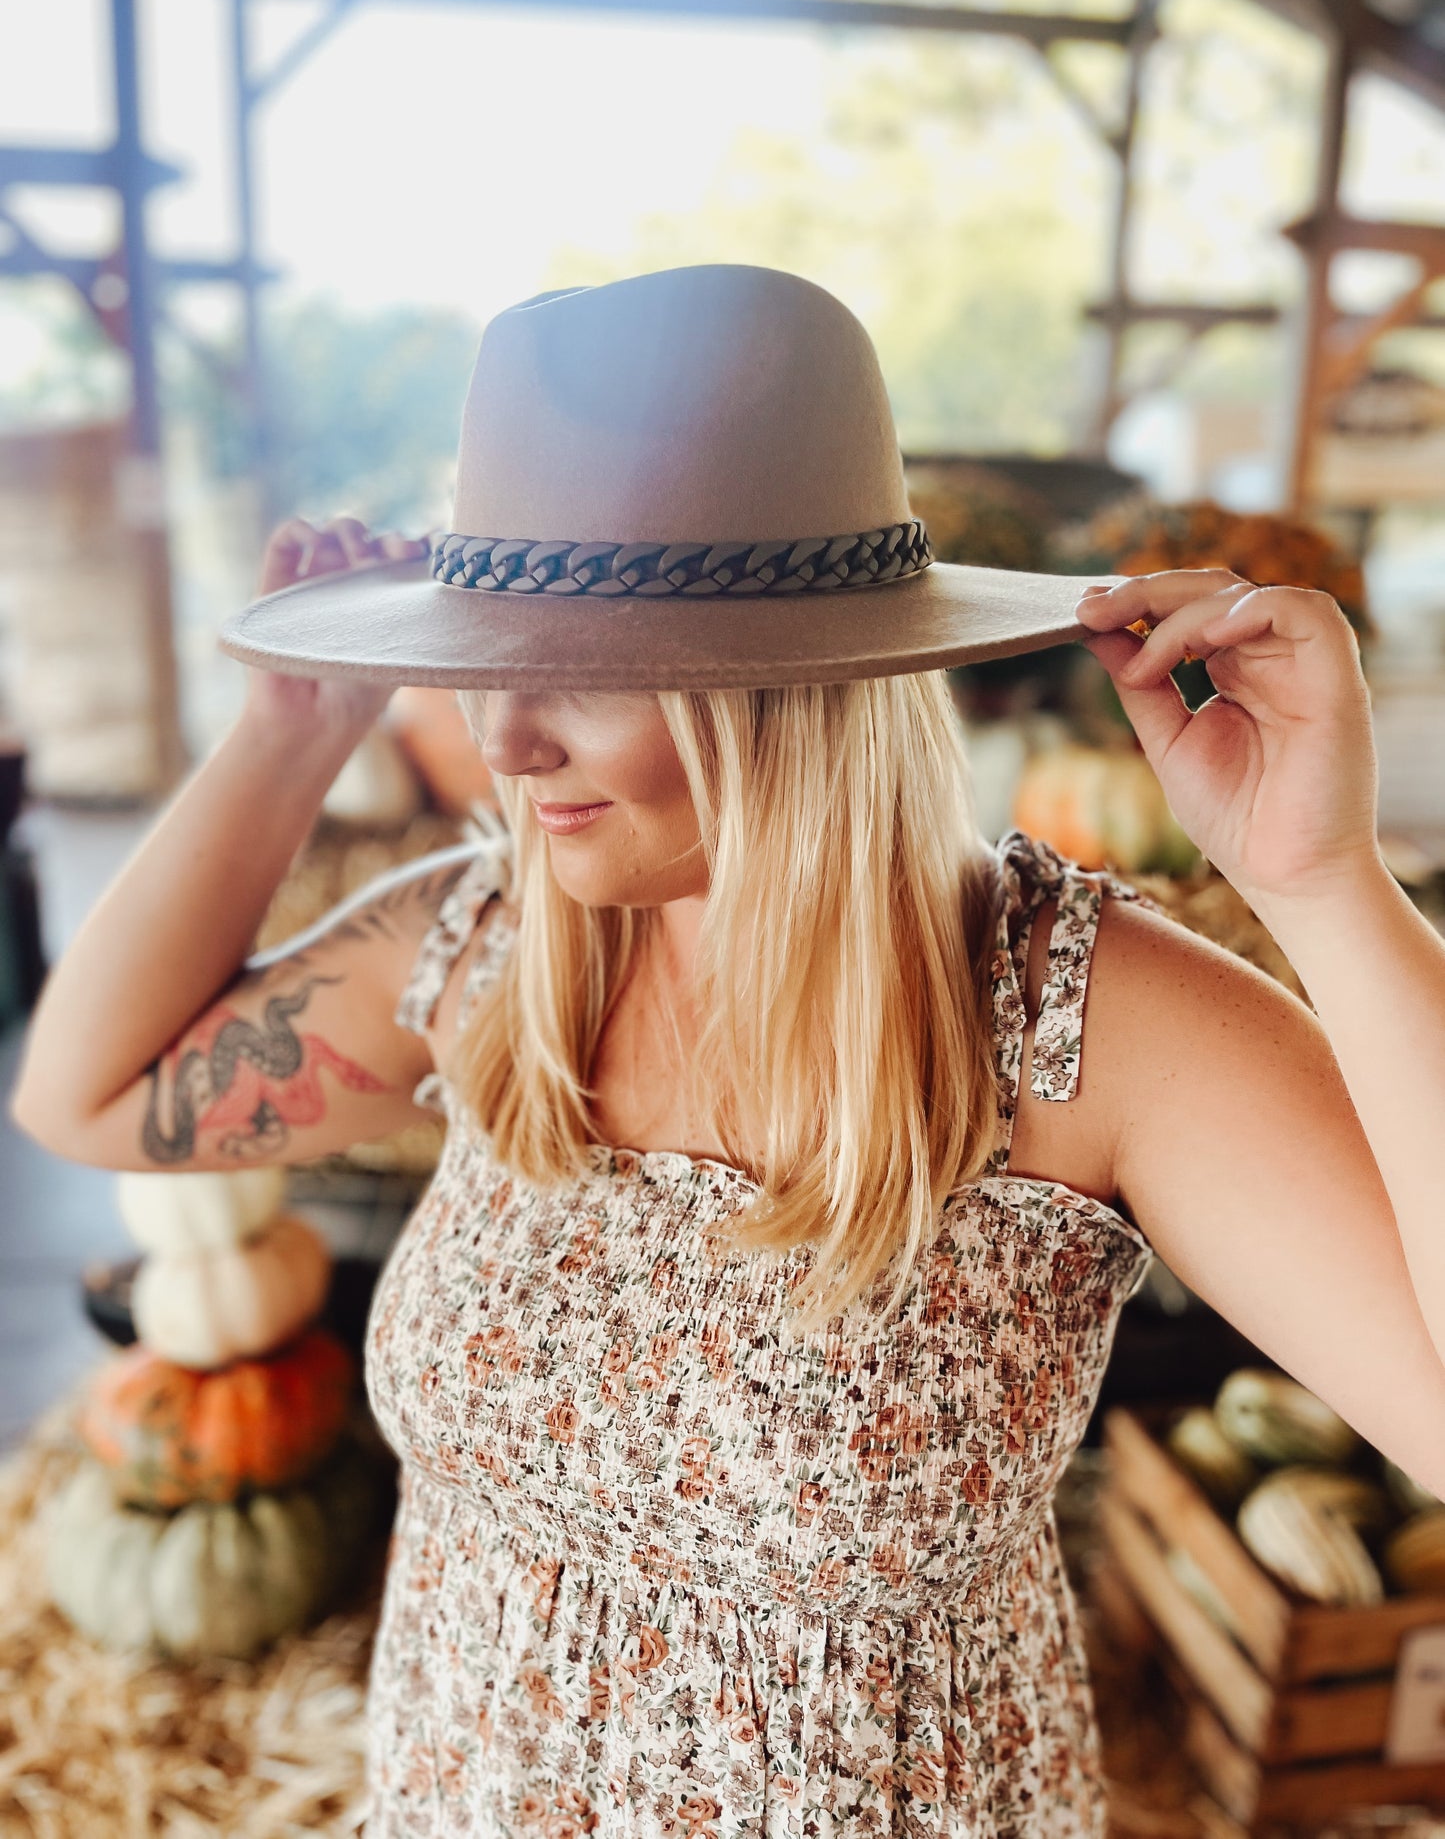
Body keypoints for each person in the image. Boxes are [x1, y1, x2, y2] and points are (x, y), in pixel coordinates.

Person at [11, 263, 1445, 1836]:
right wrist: (288, 734)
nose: (502, 737)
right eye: (491, 653)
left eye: (584, 662)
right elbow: (85, 1093)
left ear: (794, 682)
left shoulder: (1071, 1017)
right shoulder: (490, 951)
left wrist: (1323, 887)